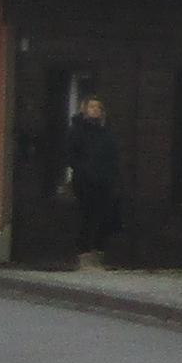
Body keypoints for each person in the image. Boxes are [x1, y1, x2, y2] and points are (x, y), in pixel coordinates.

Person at [64, 92, 122, 271]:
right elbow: (70, 155)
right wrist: (84, 170)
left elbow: (114, 155)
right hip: (85, 181)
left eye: (98, 107)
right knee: (87, 216)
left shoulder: (106, 133)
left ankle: (98, 253)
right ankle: (84, 254)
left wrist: (111, 173)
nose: (95, 110)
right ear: (85, 110)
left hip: (104, 181)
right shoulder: (77, 131)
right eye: (91, 107)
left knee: (106, 215)